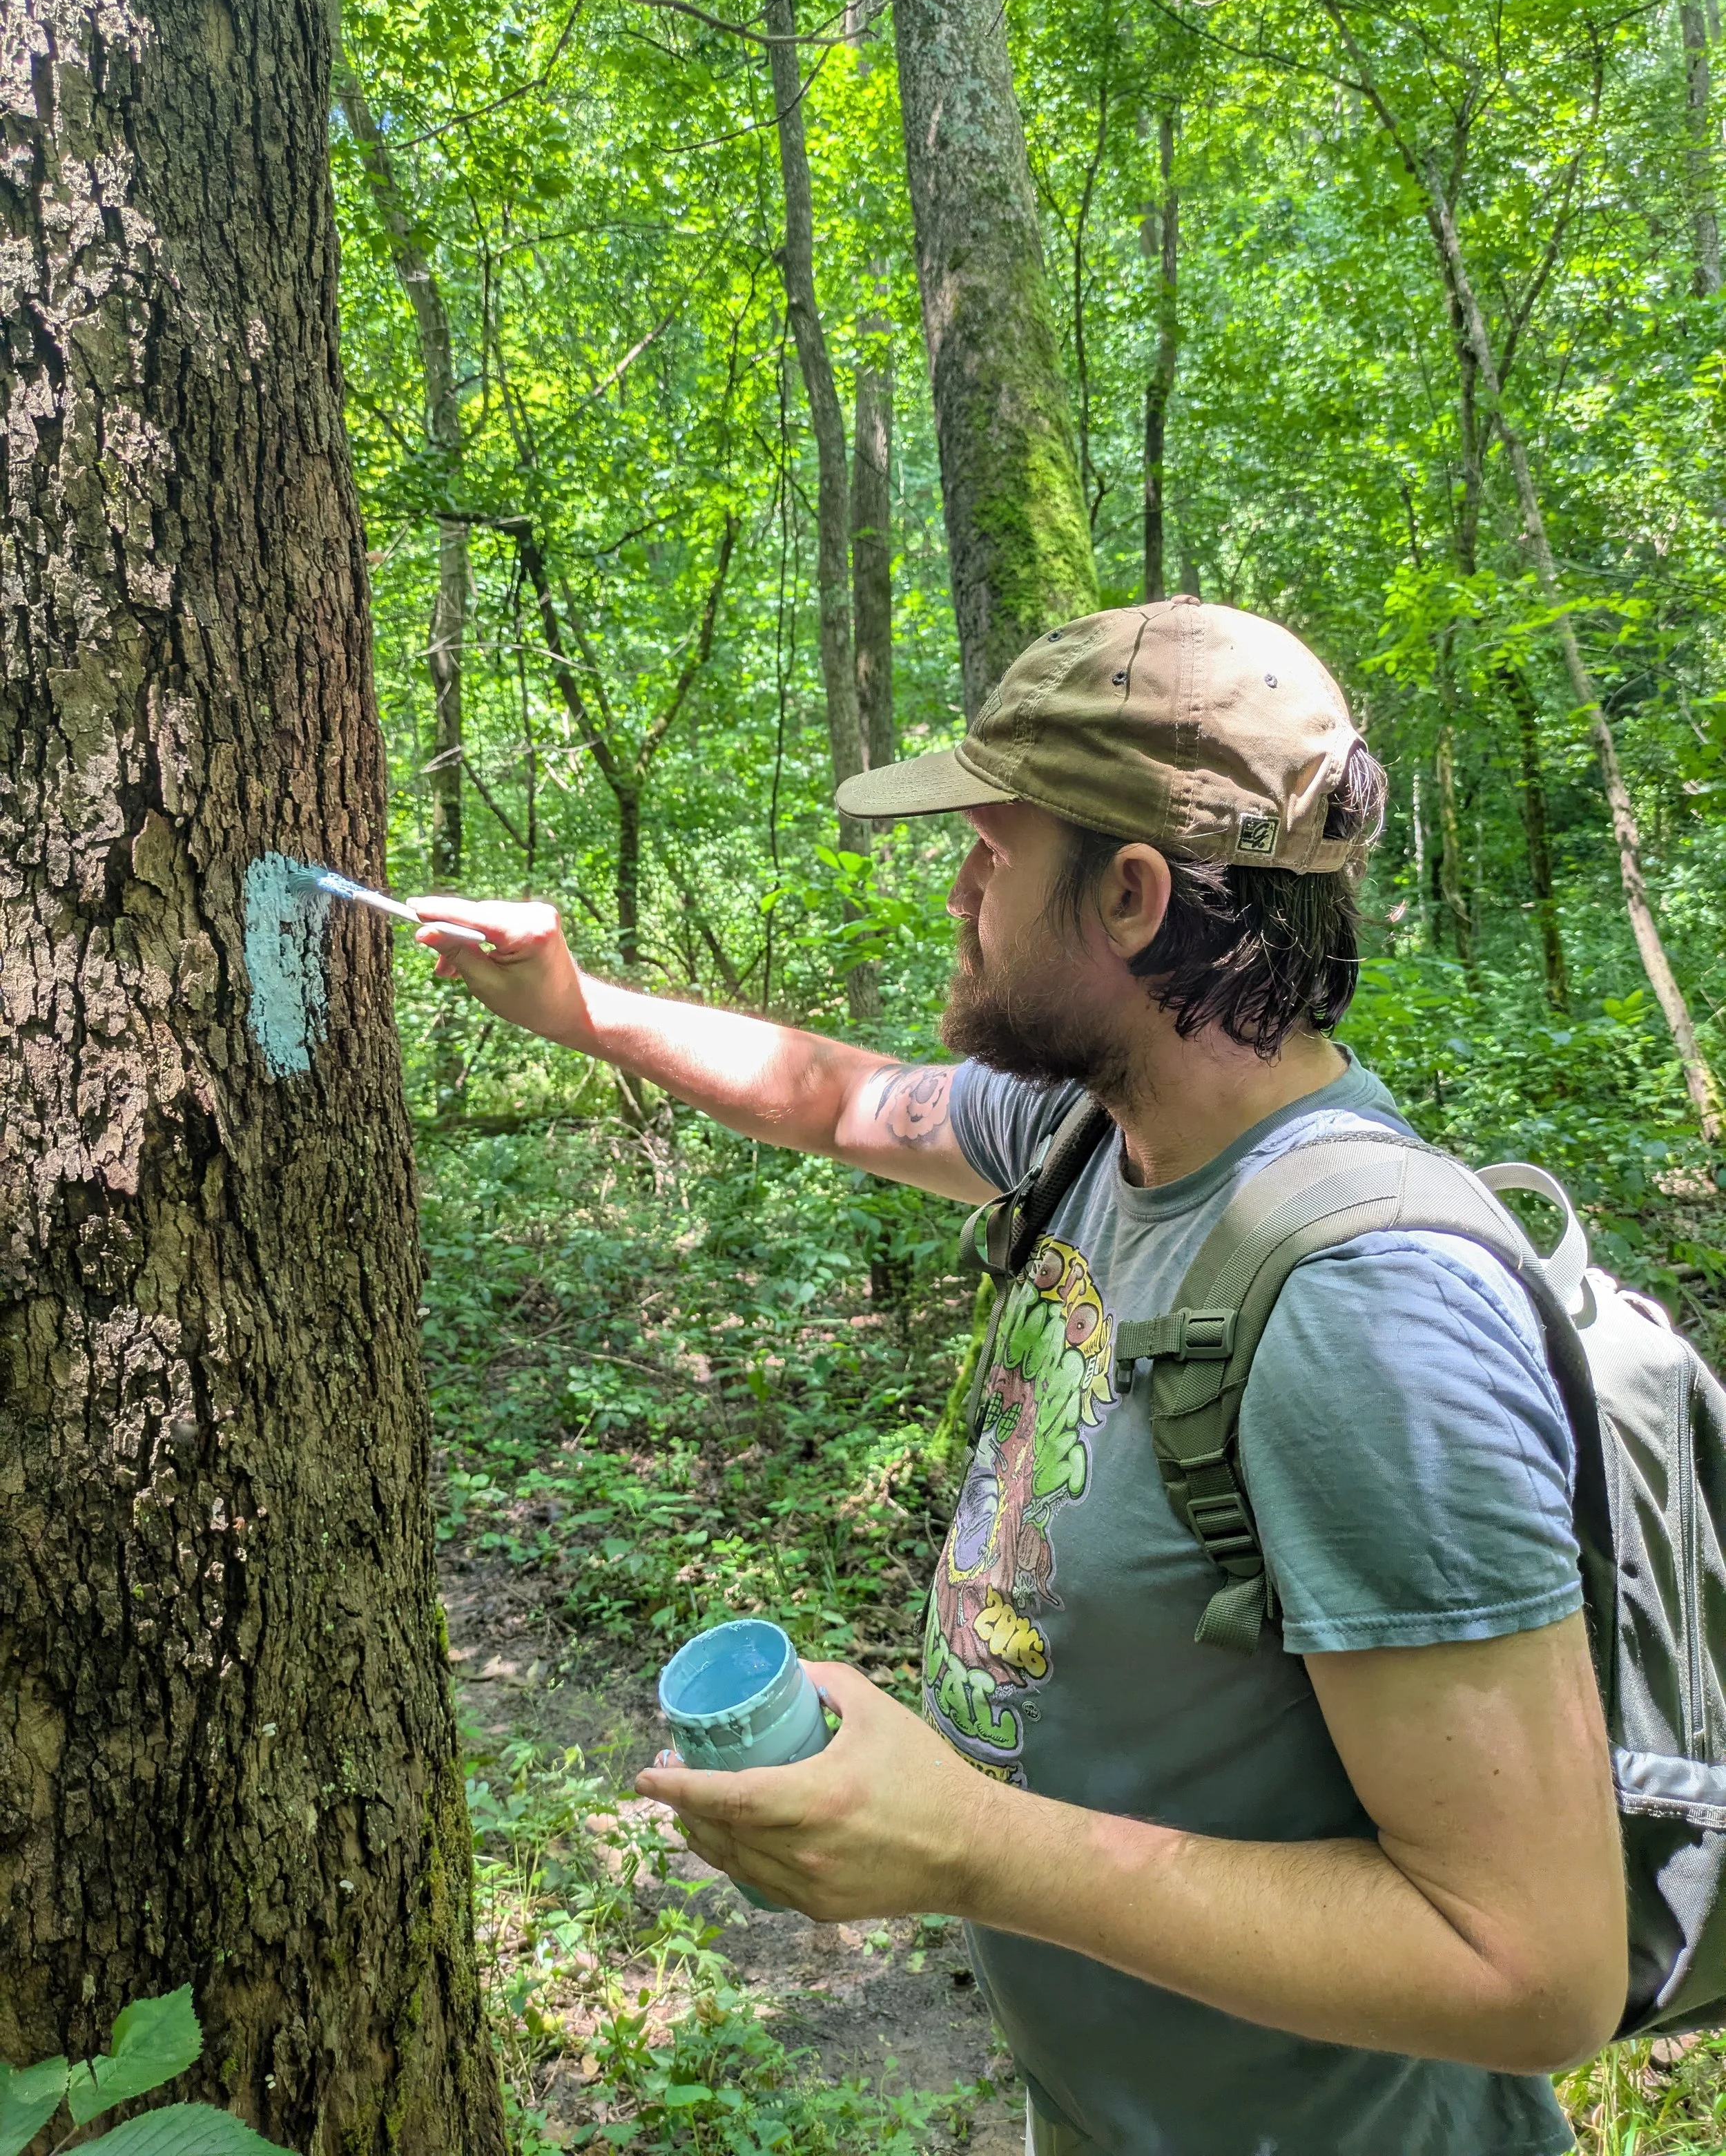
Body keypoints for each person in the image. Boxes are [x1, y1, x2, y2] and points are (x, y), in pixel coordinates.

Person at [411, 595, 1623, 2156]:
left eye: (991, 848)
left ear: (1127, 893)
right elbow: (837, 1099)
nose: (959, 888)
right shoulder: (1089, 1136)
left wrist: (974, 1846)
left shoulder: (1360, 1307)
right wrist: (580, 1010)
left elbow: (1531, 1965)